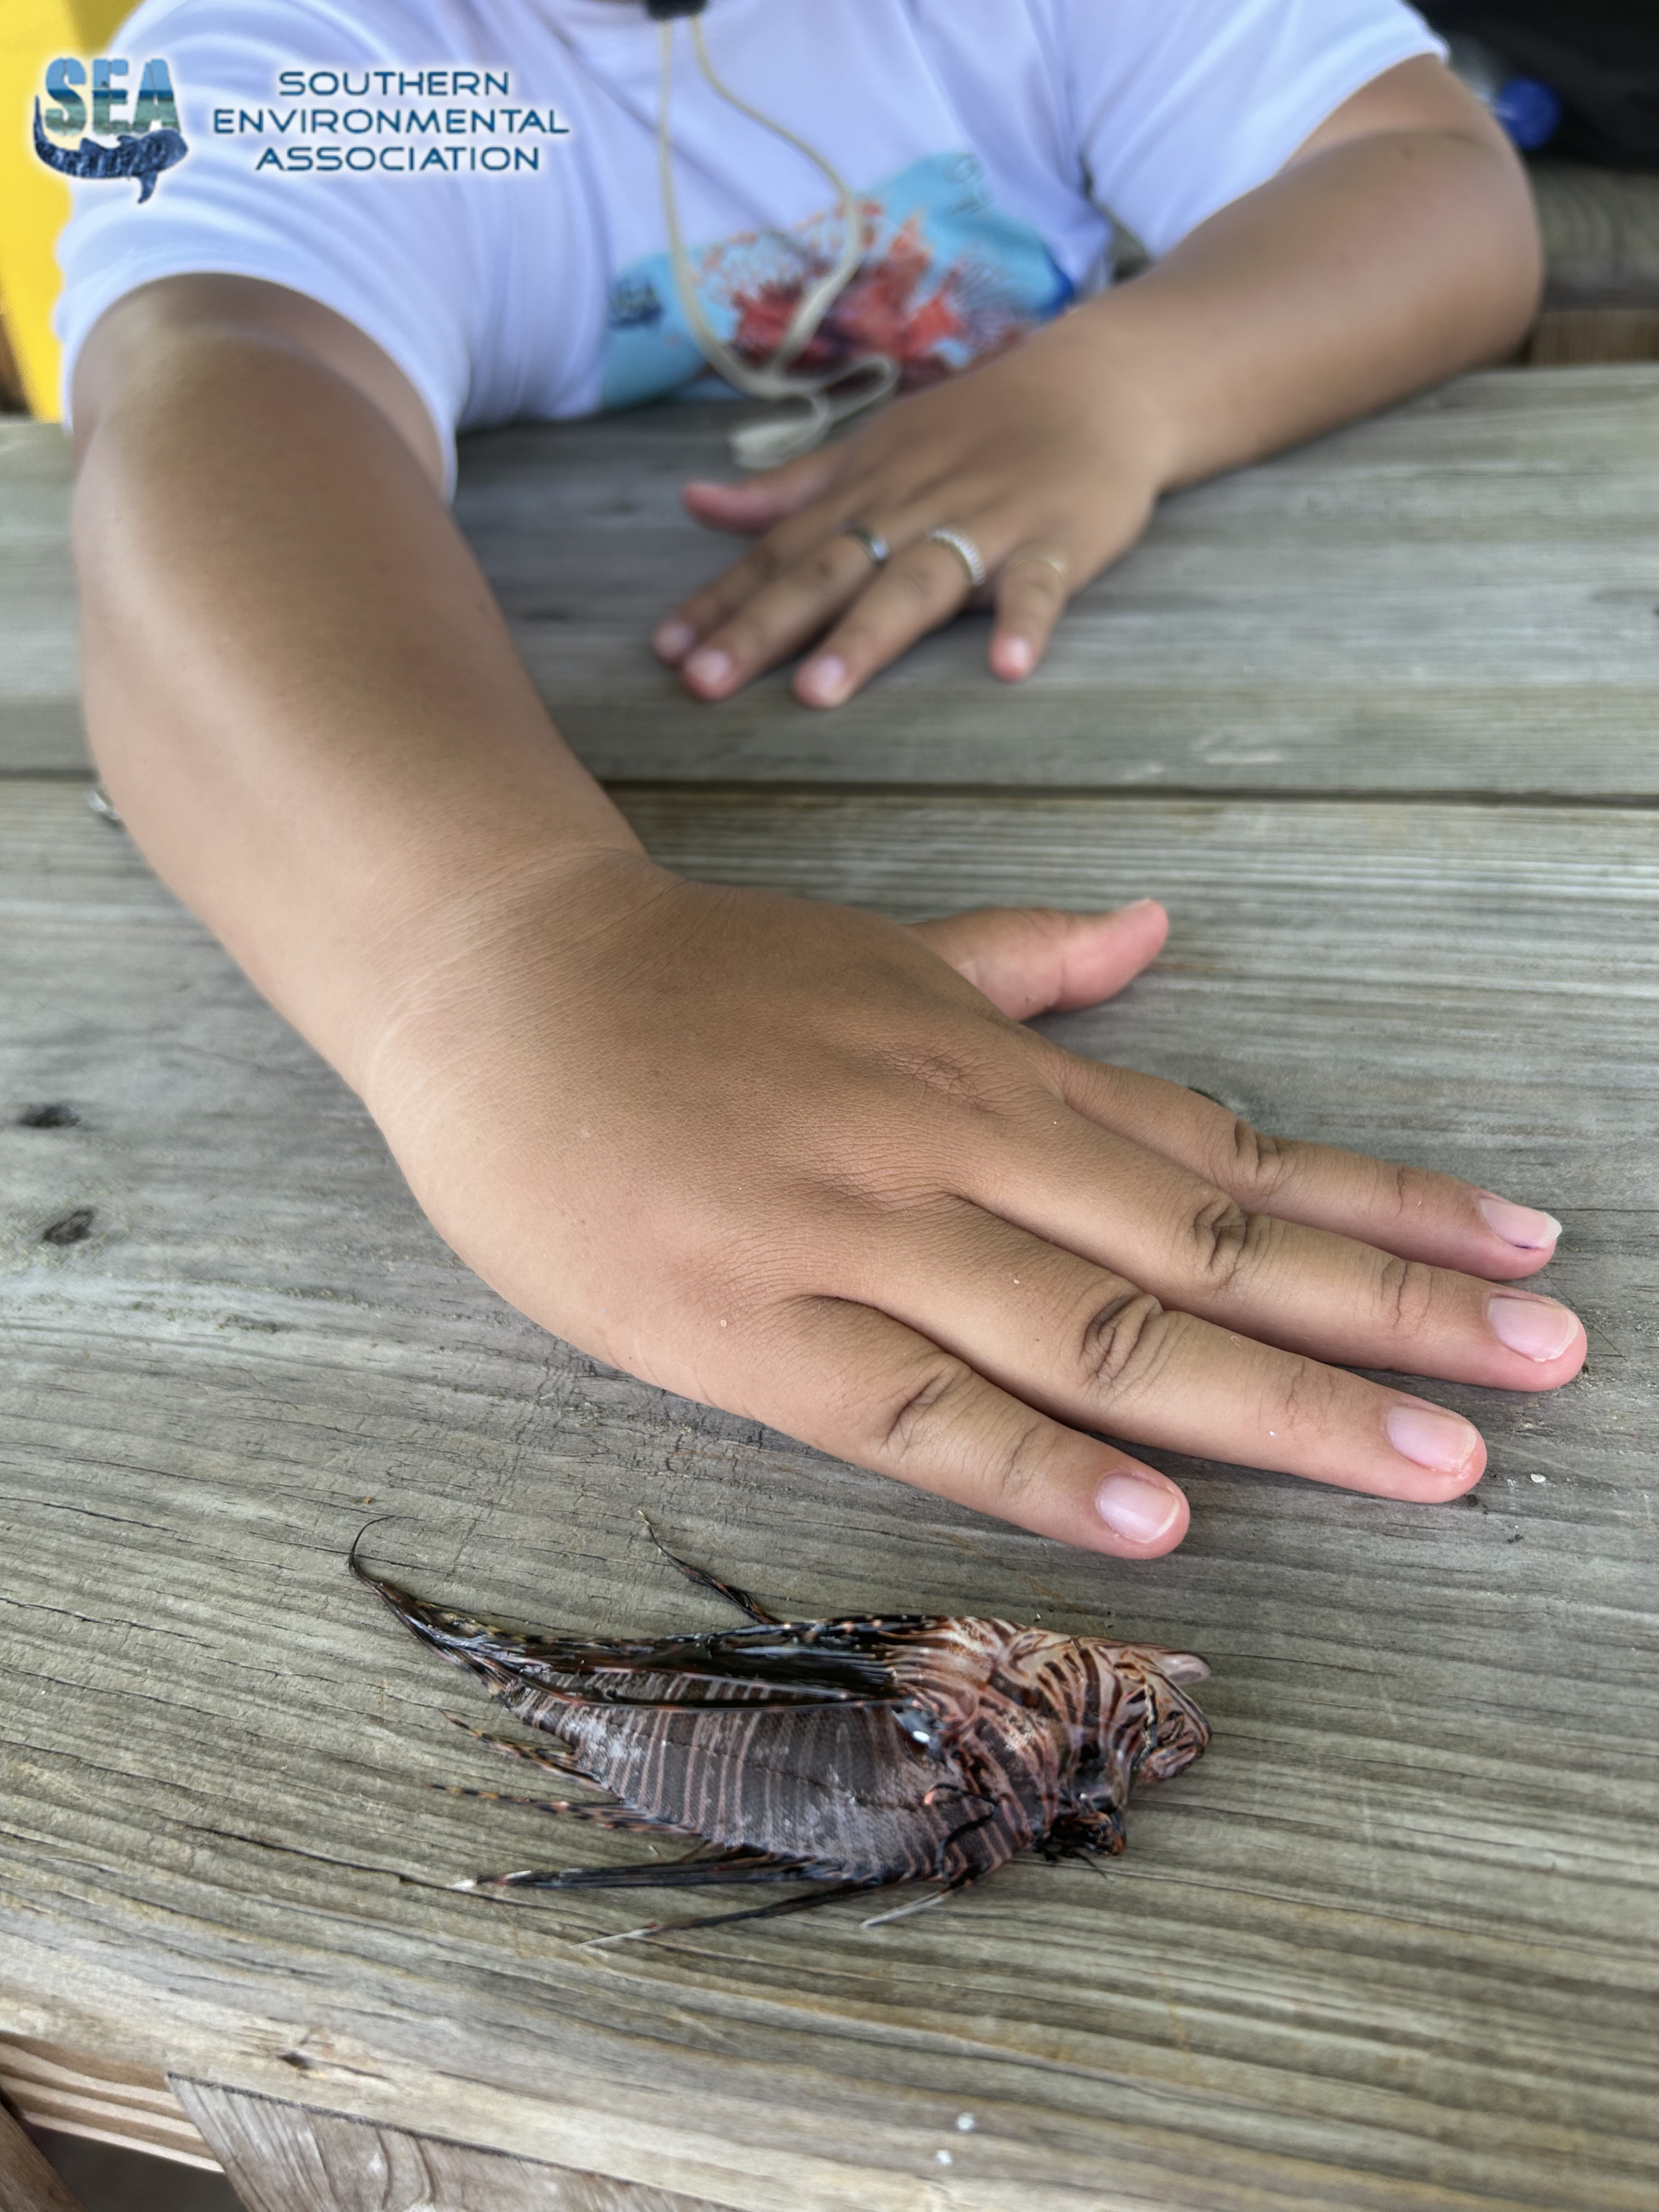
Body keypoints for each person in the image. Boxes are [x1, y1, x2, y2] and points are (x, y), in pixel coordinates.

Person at [60, 0, 1580, 1564]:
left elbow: (1430, 175)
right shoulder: (296, 52)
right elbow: (204, 385)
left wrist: (1113, 388)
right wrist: (497, 950)